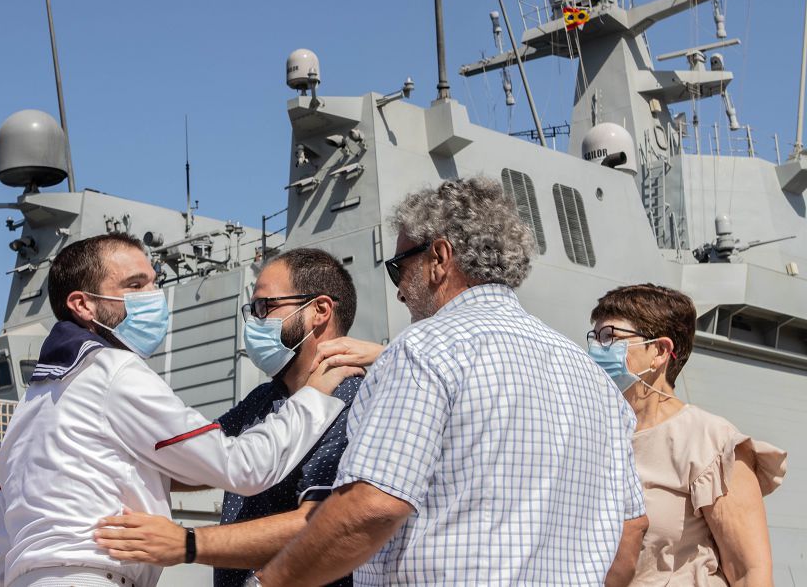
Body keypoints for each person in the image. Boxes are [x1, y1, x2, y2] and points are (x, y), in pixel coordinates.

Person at [256, 177, 648, 586]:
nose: (399, 292)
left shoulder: (424, 349)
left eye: (398, 268)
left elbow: (373, 507)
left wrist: (270, 582)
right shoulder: (595, 380)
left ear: (439, 257)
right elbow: (631, 529)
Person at [0, 233, 363, 587]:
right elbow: (239, 464)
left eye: (153, 282)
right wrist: (316, 395)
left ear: (321, 311)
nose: (153, 296)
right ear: (82, 304)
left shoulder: (32, 405)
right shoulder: (114, 372)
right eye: (135, 285)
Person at [93, 248, 384, 587]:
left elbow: (321, 523)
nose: (255, 322)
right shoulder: (264, 400)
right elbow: (199, 461)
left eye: (265, 307)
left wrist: (187, 543)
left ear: (319, 310)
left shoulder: (352, 398)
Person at [588, 283, 787, 586]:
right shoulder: (595, 431)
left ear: (659, 351)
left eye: (610, 338)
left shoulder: (710, 441)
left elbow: (750, 572)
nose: (595, 350)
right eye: (595, 337)